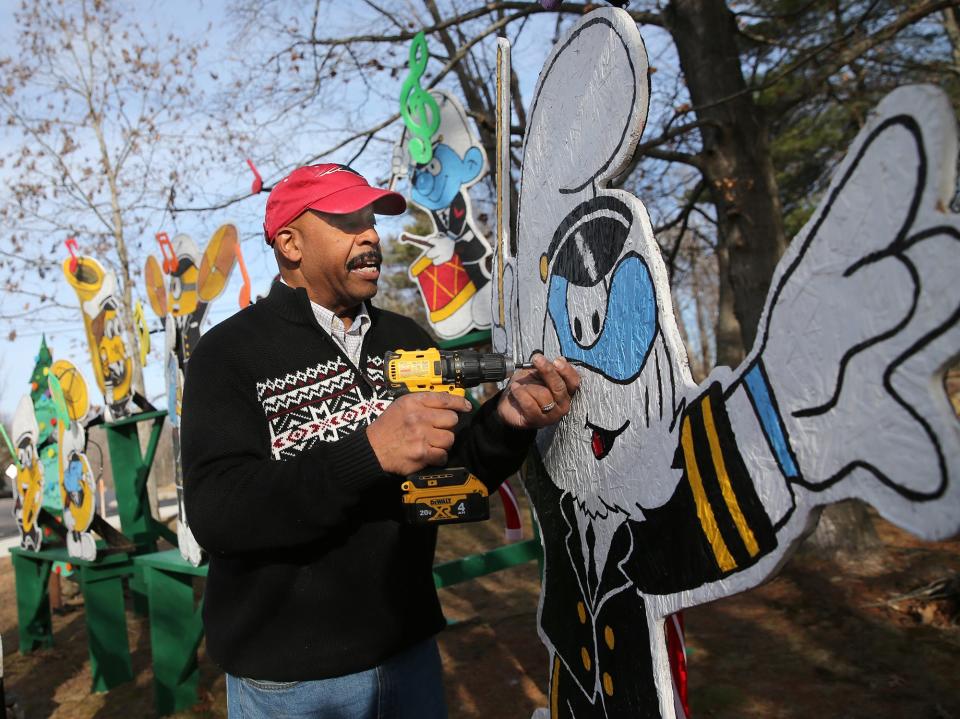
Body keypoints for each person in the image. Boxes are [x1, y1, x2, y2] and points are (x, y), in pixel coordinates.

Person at [180, 163, 580, 719]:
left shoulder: (406, 339)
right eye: (347, 221)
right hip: (291, 682)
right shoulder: (227, 354)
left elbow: (456, 480)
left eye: (371, 219)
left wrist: (508, 420)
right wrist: (368, 453)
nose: (370, 234)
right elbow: (218, 513)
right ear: (290, 243)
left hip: (407, 656)